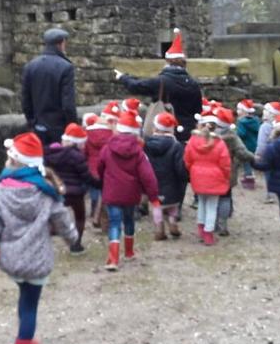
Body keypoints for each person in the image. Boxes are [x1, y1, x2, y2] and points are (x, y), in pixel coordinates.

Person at [0, 132, 77, 344]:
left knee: (23, 299)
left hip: (11, 259)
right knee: (30, 306)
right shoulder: (46, 192)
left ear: (14, 162)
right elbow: (62, 220)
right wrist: (72, 238)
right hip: (37, 261)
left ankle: (25, 342)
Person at [95, 111, 162, 271]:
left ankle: (113, 258)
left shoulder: (107, 148)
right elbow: (148, 176)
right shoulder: (139, 152)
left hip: (111, 192)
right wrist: (154, 198)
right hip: (131, 194)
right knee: (129, 220)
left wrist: (103, 180)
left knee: (114, 223)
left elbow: (99, 167)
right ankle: (129, 251)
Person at [115, 28, 203, 143]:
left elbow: (136, 86)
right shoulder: (194, 84)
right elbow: (198, 109)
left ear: (167, 62)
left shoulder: (161, 82)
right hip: (188, 131)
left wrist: (123, 77)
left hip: (164, 130)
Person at [44, 123, 97, 254]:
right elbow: (86, 176)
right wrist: (99, 184)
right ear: (78, 143)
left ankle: (46, 238)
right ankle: (76, 245)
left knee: (52, 215)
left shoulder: (50, 154)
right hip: (76, 193)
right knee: (80, 217)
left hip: (58, 191)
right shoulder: (78, 157)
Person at [21, 28, 78, 145]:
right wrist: (73, 126)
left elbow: (26, 100)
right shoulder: (66, 67)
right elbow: (68, 105)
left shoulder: (30, 66)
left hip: (38, 127)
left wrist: (32, 123)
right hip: (59, 130)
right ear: (61, 44)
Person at [184, 112, 232, 246]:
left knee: (201, 203)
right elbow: (225, 163)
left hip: (197, 176)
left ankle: (201, 228)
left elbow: (187, 159)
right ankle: (208, 232)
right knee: (212, 206)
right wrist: (226, 176)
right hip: (216, 178)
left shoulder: (192, 141)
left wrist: (192, 171)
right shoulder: (220, 143)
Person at [144, 112, 188, 240]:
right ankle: (173, 224)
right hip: (172, 181)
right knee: (173, 205)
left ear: (156, 128)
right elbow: (180, 166)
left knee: (157, 205)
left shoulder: (147, 145)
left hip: (153, 180)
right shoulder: (177, 146)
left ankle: (159, 228)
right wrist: (185, 177)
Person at [213, 108, 255, 236]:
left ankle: (210, 224)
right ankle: (222, 225)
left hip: (210, 172)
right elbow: (242, 153)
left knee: (210, 199)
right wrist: (254, 157)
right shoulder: (232, 137)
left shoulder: (209, 135)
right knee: (225, 198)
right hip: (227, 171)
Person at [85, 103, 119, 229]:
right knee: (105, 193)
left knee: (94, 191)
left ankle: (94, 211)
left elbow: (85, 152)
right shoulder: (112, 135)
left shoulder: (87, 133)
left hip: (91, 168)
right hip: (107, 169)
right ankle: (103, 216)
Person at [256, 101, 280, 204]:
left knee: (269, 174)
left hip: (268, 155)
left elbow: (262, 143)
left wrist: (259, 154)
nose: (263, 112)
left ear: (272, 113)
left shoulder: (265, 126)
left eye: (266, 110)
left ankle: (271, 194)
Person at [235, 100, 261, 190]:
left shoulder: (241, 122)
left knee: (246, 162)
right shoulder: (256, 121)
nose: (237, 111)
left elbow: (242, 134)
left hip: (246, 145)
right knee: (251, 161)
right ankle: (250, 175)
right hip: (254, 144)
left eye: (239, 109)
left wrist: (235, 130)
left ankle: (249, 179)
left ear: (244, 111)